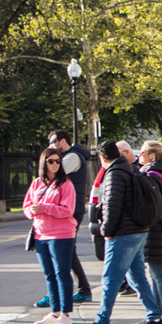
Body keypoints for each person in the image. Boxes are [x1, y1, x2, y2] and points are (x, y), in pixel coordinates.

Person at [77, 140, 162, 324]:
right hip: (139, 231)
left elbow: (111, 204)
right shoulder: (131, 169)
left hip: (123, 233)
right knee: (137, 277)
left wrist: (106, 229)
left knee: (111, 278)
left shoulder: (114, 173)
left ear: (102, 158)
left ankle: (102, 321)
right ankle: (155, 317)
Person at [20, 147, 77, 324]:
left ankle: (66, 314)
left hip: (61, 234)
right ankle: (55, 312)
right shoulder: (37, 183)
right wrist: (32, 211)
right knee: (49, 275)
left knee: (62, 274)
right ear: (43, 163)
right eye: (51, 161)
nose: (54, 164)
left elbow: (67, 210)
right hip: (40, 234)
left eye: (57, 161)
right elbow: (27, 206)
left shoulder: (65, 184)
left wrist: (44, 208)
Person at [38, 131, 92, 307]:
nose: (50, 146)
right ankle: (83, 290)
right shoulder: (70, 156)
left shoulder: (72, 157)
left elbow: (53, 175)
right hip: (66, 209)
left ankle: (58, 295)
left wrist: (47, 161)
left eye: (53, 142)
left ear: (63, 141)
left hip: (68, 210)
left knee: (61, 251)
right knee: (68, 252)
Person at [138, 140, 162, 324]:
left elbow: (151, 204)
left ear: (152, 156)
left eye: (143, 152)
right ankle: (161, 313)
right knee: (155, 273)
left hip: (156, 230)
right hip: (160, 229)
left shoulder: (152, 176)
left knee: (158, 273)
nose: (139, 156)